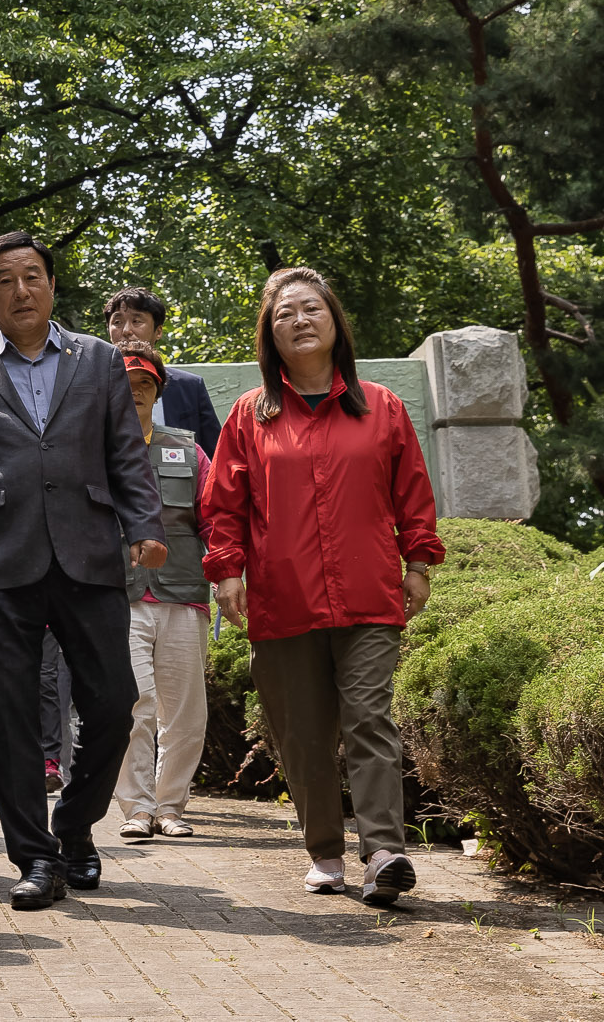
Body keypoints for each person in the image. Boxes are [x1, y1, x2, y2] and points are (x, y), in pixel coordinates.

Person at [0, 232, 165, 910]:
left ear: (52, 285)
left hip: (89, 552)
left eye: (32, 276)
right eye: (5, 279)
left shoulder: (97, 360)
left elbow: (126, 454)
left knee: (115, 702)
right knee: (15, 715)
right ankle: (34, 856)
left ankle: (74, 825)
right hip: (2, 556)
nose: (21, 289)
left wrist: (145, 527)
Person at [202, 267, 444, 906]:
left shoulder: (381, 407)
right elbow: (223, 504)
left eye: (311, 309)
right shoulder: (249, 417)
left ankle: (384, 851)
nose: (300, 321)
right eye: (285, 315)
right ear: (269, 335)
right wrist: (227, 569)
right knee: (302, 733)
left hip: (368, 595)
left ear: (336, 323)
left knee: (369, 718)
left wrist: (418, 561)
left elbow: (412, 491)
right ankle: (326, 854)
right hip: (284, 599)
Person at [110, 345, 213, 842]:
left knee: (187, 712)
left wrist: (232, 573)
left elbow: (215, 518)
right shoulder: (93, 449)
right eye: (126, 386)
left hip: (183, 595)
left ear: (157, 391)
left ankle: (171, 806)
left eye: (145, 386)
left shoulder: (189, 450)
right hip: (120, 598)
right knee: (137, 703)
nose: (136, 395)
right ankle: (136, 808)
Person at [104, 287, 220, 457]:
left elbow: (216, 455)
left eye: (137, 321)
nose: (126, 330)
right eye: (117, 322)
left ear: (158, 331)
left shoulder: (189, 387)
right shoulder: (94, 385)